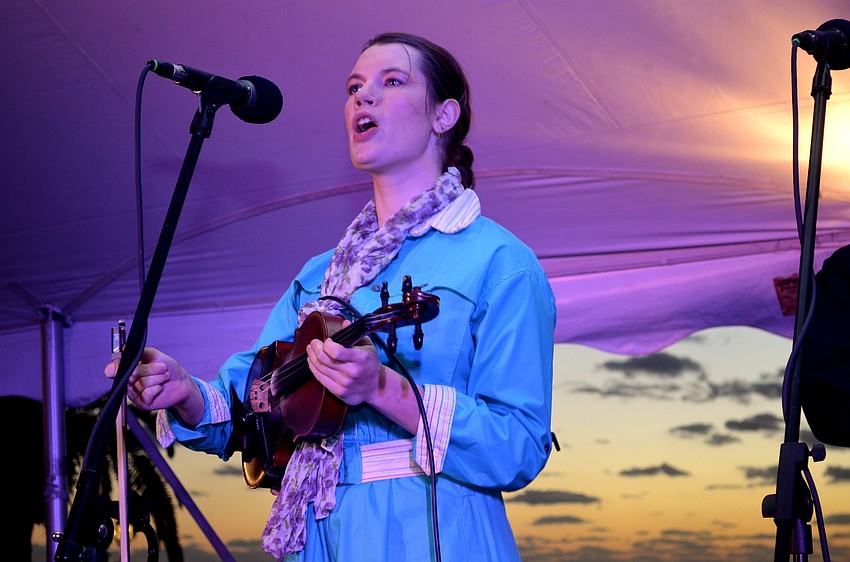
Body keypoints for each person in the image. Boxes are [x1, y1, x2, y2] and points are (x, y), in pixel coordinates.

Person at [109, 32, 556, 561]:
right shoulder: (318, 277)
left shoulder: (500, 262)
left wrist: (385, 390)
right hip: (319, 535)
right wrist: (181, 391)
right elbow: (254, 402)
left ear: (444, 115)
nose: (362, 98)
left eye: (391, 82)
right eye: (354, 87)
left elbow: (519, 446)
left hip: (432, 532)